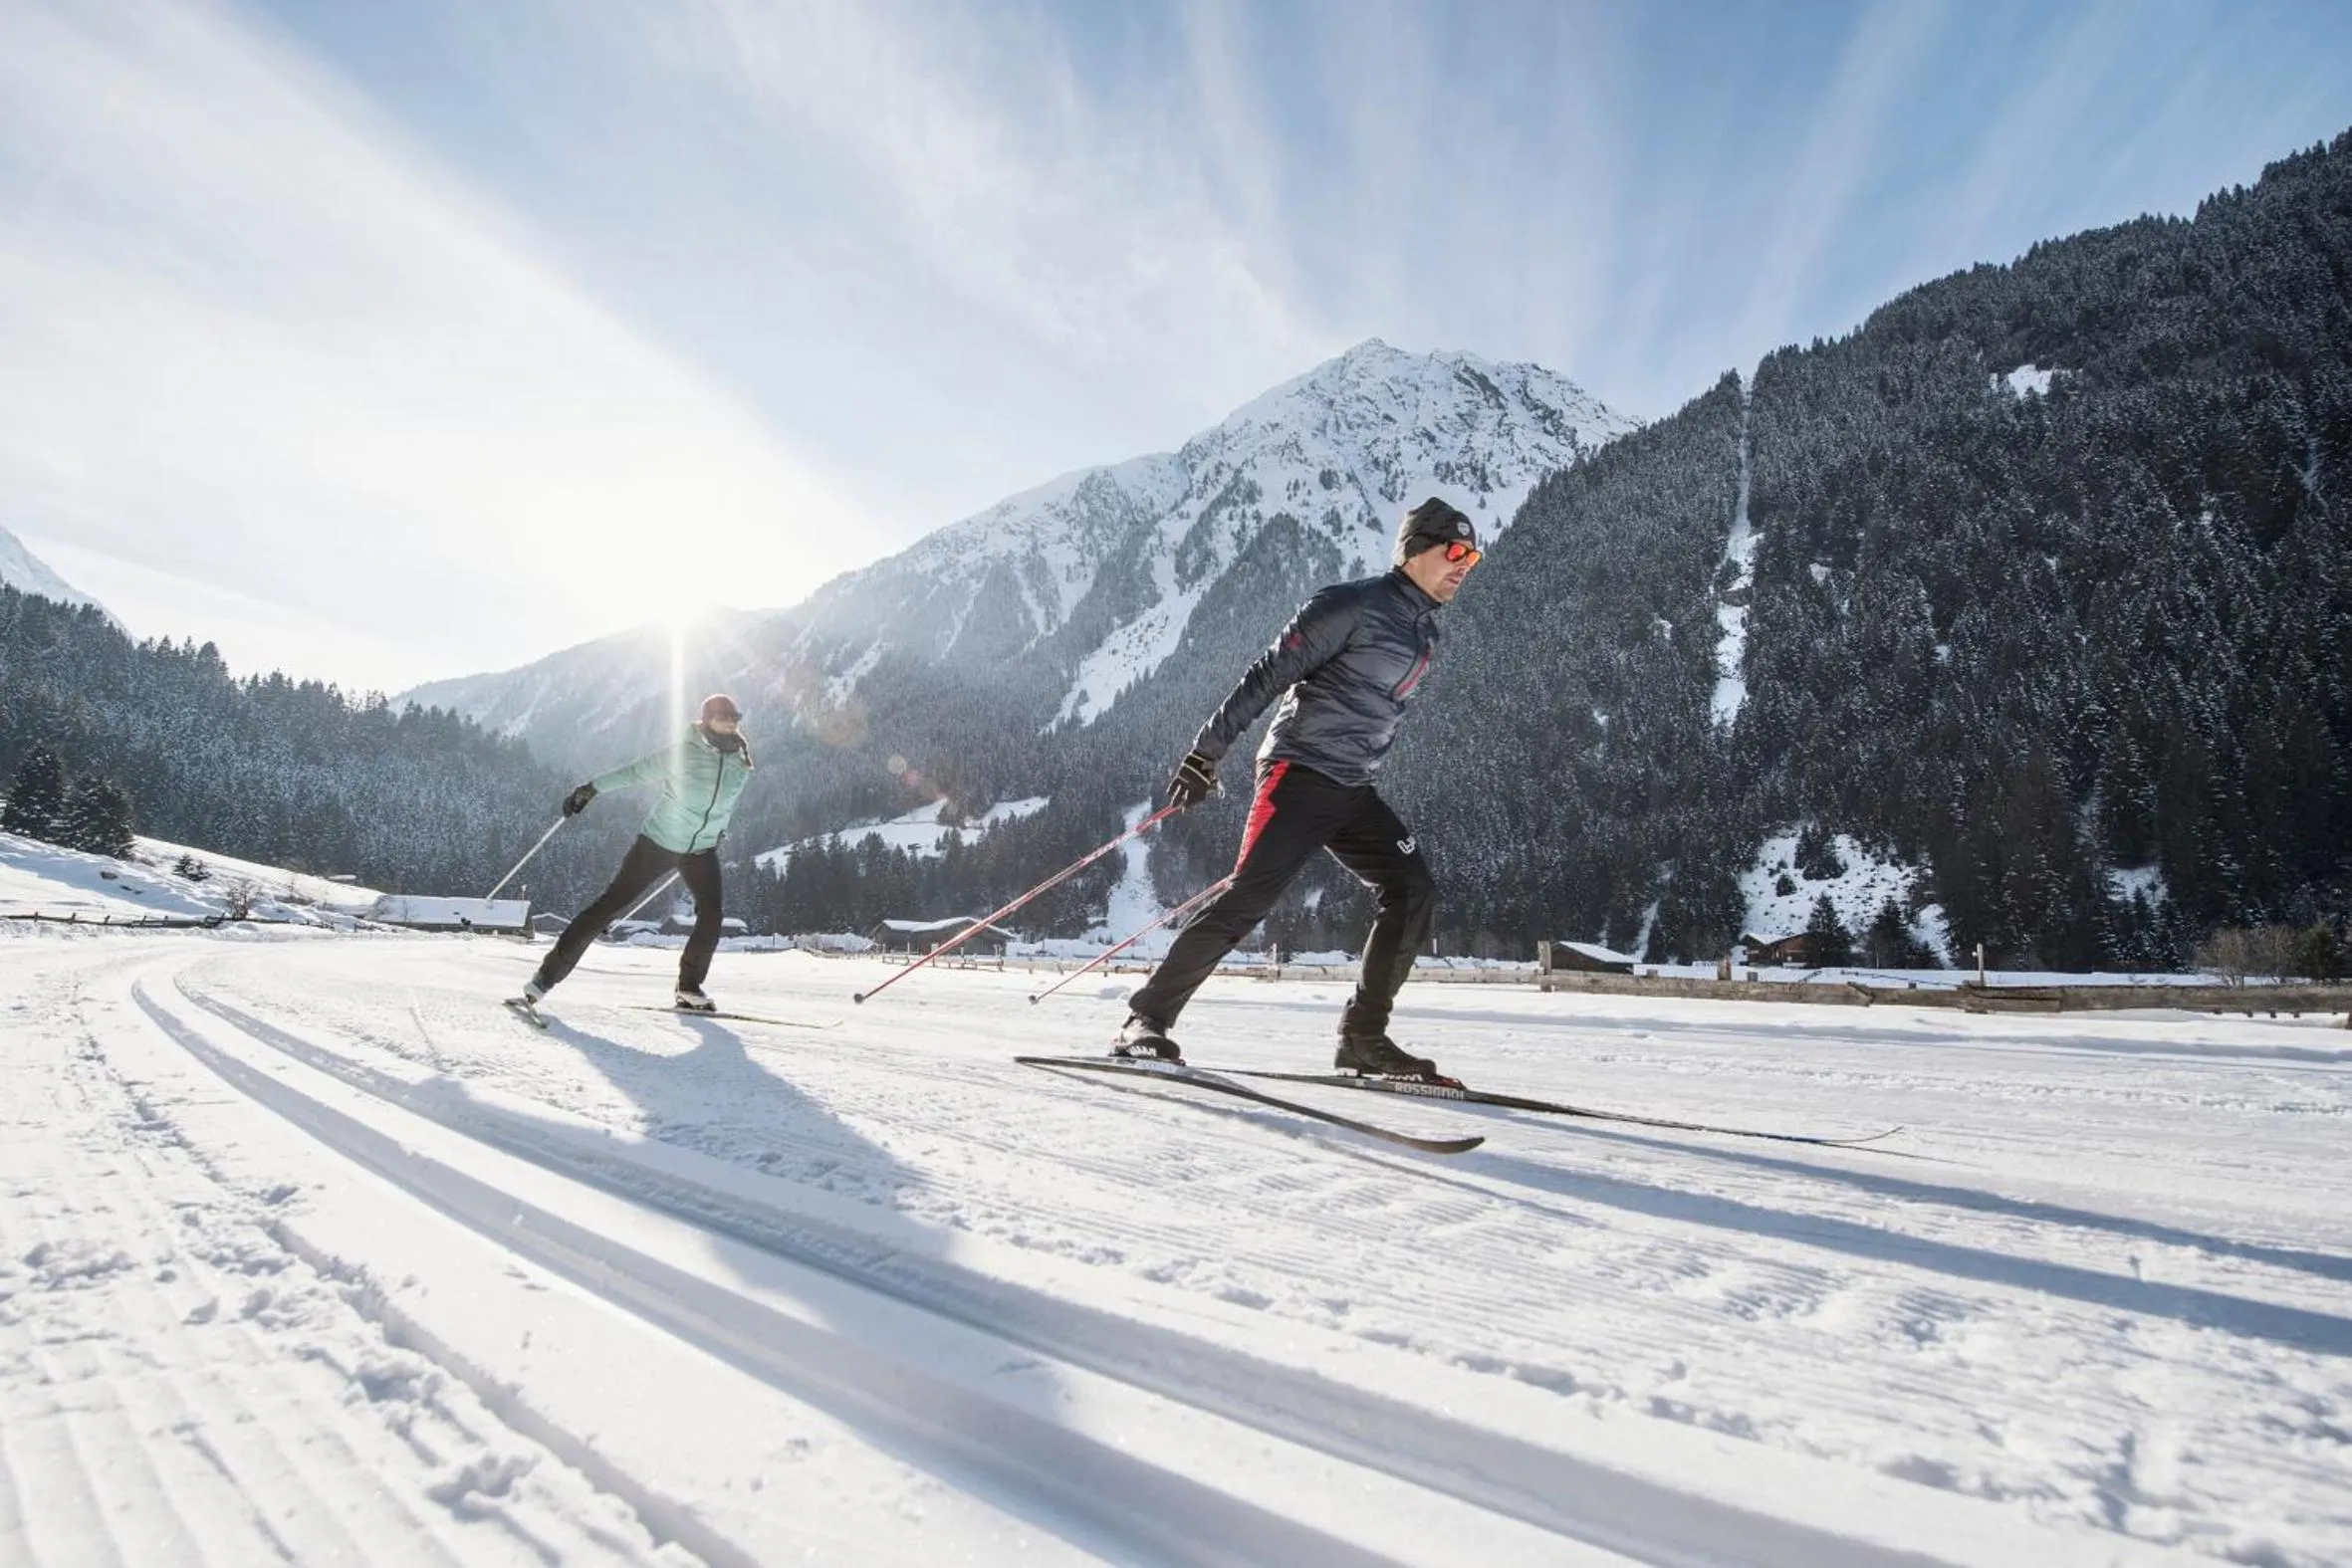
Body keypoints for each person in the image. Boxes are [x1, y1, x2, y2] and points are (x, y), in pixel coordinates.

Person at [1116, 497, 1482, 1078]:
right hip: (1299, 774)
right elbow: (1267, 675)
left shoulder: (1424, 634)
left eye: (1474, 556)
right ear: (1415, 551)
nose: (1466, 565)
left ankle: (1362, 1038)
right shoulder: (1350, 604)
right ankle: (1146, 1019)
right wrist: (1205, 754)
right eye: (1456, 551)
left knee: (1412, 890)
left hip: (1354, 790)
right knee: (1249, 899)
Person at [518, 693, 755, 1012]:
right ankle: (544, 978)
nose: (730, 722)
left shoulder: (740, 759)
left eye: (734, 717)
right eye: (723, 716)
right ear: (706, 720)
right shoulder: (684, 753)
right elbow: (634, 772)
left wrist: (718, 830)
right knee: (608, 906)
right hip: (657, 844)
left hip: (701, 850)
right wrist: (591, 789)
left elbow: (724, 804)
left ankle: (689, 987)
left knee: (712, 915)